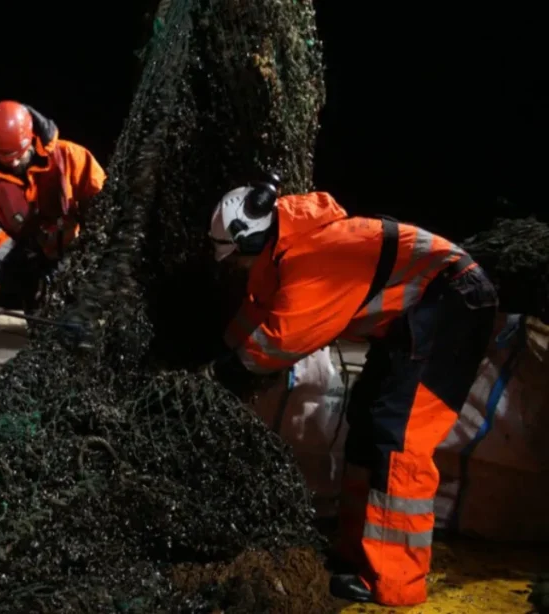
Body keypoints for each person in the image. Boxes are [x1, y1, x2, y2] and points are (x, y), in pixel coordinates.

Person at [207, 175, 497, 607]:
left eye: (235, 259)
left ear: (252, 242)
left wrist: (230, 368)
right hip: (416, 317)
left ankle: (394, 582)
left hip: (452, 304)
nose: (236, 269)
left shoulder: (312, 257)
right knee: (366, 422)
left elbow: (283, 339)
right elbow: (258, 314)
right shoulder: (286, 250)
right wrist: (221, 352)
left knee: (399, 437)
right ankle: (356, 550)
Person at [0, 100, 107, 386]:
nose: (11, 162)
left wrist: (84, 246)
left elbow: (105, 202)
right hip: (16, 264)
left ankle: (81, 374)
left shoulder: (71, 157)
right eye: (2, 156)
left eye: (16, 154)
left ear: (31, 139)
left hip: (69, 262)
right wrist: (18, 256)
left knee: (77, 318)